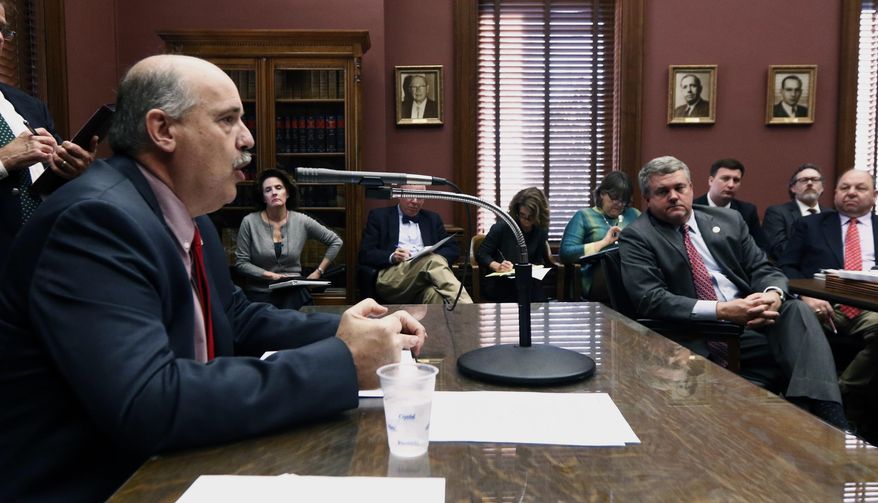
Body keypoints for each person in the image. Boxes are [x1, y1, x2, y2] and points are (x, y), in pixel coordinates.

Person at [0, 54, 426, 502]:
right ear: (163, 130)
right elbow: (149, 402)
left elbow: (234, 317)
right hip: (104, 485)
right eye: (228, 120)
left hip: (181, 464)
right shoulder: (95, 221)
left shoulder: (188, 214)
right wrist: (343, 362)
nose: (248, 138)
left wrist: (352, 330)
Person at [619, 155, 847, 429]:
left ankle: (821, 417)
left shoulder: (728, 219)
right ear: (647, 198)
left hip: (754, 320)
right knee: (805, 347)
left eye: (680, 188)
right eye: (662, 191)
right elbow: (650, 299)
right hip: (701, 331)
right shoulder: (638, 235)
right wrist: (723, 311)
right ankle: (823, 422)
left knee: (795, 309)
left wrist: (772, 295)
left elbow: (763, 268)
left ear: (691, 188)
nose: (673, 196)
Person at [778, 169, 878, 437]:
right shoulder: (810, 225)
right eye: (844, 187)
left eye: (860, 188)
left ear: (874, 195)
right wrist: (805, 295)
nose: (851, 193)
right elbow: (785, 266)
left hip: (871, 308)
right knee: (793, 323)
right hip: (823, 305)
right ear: (834, 194)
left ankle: (839, 393)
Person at [0, 0, 97, 265]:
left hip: (46, 261)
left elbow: (50, 186)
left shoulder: (29, 106)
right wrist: (3, 161)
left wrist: (71, 170)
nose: (0, 38)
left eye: (2, 29)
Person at [235, 168, 342, 309]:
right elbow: (241, 263)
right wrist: (270, 275)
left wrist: (318, 272)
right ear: (263, 198)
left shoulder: (302, 221)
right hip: (261, 294)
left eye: (278, 188)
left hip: (294, 293)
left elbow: (336, 241)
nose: (274, 192)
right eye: (268, 190)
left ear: (288, 193)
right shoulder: (249, 222)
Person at [359, 186, 472, 304]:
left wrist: (430, 257)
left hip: (423, 279)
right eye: (410, 196)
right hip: (391, 278)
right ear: (399, 195)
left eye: (420, 197)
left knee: (434, 294)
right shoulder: (379, 216)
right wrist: (392, 256)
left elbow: (452, 248)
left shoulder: (432, 218)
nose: (415, 201)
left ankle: (460, 321)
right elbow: (366, 253)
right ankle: (469, 307)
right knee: (432, 261)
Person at [559, 171, 640, 298]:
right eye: (614, 198)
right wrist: (603, 243)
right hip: (597, 277)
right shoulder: (584, 216)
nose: (619, 204)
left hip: (633, 272)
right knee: (609, 266)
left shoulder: (634, 215)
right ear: (602, 193)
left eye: (623, 200)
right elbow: (566, 253)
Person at [476, 187, 552, 302]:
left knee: (540, 303)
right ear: (517, 211)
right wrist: (497, 266)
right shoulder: (502, 227)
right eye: (522, 215)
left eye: (530, 218)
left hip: (528, 283)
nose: (525, 221)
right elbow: (482, 254)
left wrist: (535, 267)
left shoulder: (541, 230)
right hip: (502, 282)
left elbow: (537, 259)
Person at [694, 158, 767, 249]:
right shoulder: (693, 208)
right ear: (711, 181)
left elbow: (760, 247)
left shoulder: (747, 211)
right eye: (725, 179)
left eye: (736, 180)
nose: (731, 185)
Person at [762, 163, 828, 261]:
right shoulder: (777, 213)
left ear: (822, 188)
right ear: (793, 188)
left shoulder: (830, 215)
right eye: (804, 180)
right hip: (793, 272)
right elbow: (780, 250)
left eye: (815, 180)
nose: (810, 183)